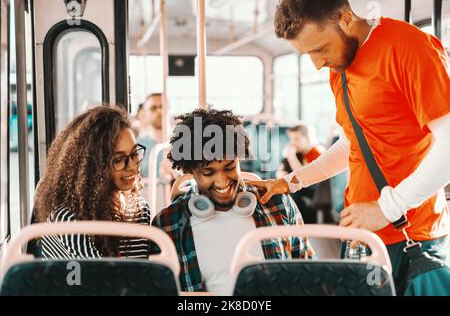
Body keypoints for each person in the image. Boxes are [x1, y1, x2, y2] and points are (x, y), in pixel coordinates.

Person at [249, 0, 450, 293]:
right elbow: (352, 145)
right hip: (361, 230)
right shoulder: (340, 64)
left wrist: (387, 207)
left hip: (412, 234)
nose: (317, 64)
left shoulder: (409, 47)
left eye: (319, 49)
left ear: (344, 18)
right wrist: (291, 181)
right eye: (308, 55)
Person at [151, 108, 314, 295]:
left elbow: (307, 274)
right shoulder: (168, 224)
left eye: (229, 167)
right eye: (208, 172)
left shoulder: (277, 204)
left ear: (239, 159)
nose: (222, 182)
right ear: (191, 171)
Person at [33, 106, 152, 259]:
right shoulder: (67, 219)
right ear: (94, 166)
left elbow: (141, 274)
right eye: (119, 160)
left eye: (135, 154)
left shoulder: (139, 209)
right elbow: (98, 280)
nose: (133, 166)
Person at [277, 124, 324, 223]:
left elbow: (303, 176)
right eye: (292, 139)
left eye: (297, 139)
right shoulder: (301, 154)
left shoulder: (315, 153)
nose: (293, 143)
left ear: (307, 139)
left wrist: (291, 155)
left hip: (314, 192)